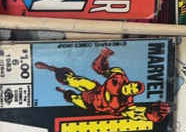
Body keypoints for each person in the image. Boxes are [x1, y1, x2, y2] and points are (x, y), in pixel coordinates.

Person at [35, 46, 170, 121]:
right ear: (131, 83)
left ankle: (64, 92)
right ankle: (54, 70)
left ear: (134, 94)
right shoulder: (119, 76)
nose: (131, 88)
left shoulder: (125, 104)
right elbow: (99, 68)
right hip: (95, 90)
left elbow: (136, 113)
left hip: (92, 105)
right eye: (133, 85)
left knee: (73, 98)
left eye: (135, 90)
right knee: (79, 82)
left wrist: (150, 115)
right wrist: (104, 56)